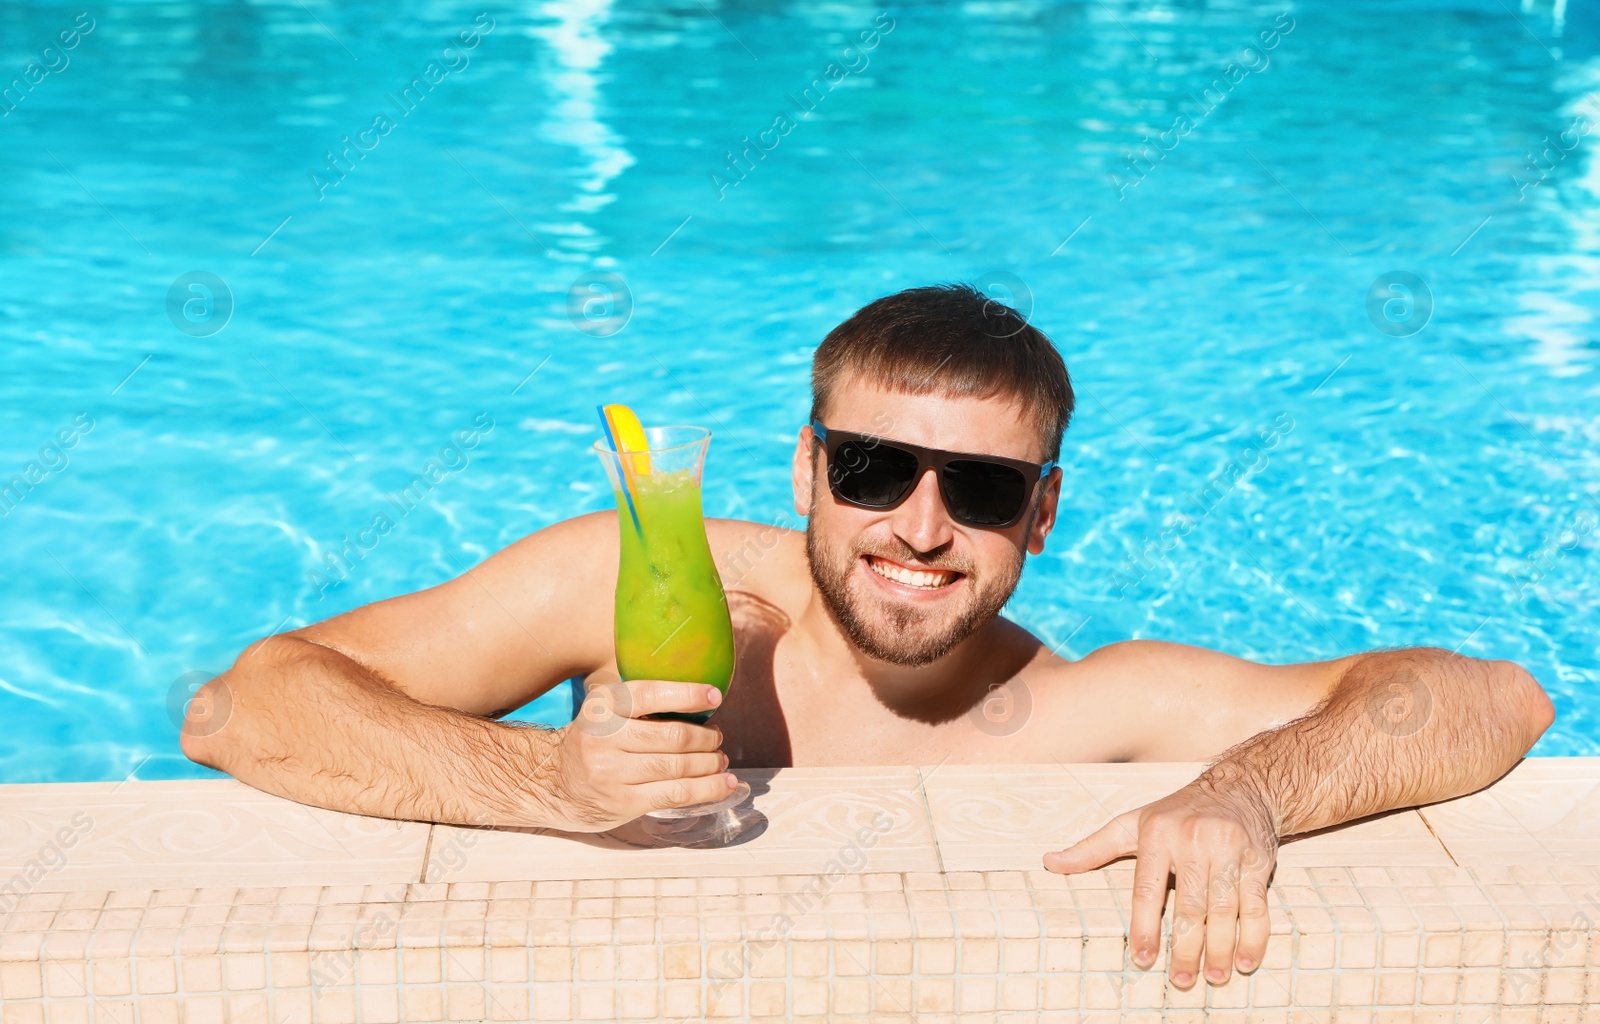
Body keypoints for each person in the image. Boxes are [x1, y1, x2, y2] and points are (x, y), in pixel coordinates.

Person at [182, 284, 1554, 991]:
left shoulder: (1091, 713)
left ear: (1045, 518)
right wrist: (543, 783)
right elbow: (243, 709)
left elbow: (1492, 699)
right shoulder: (645, 580)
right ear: (802, 468)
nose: (921, 525)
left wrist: (1251, 790)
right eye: (874, 469)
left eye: (987, 488)